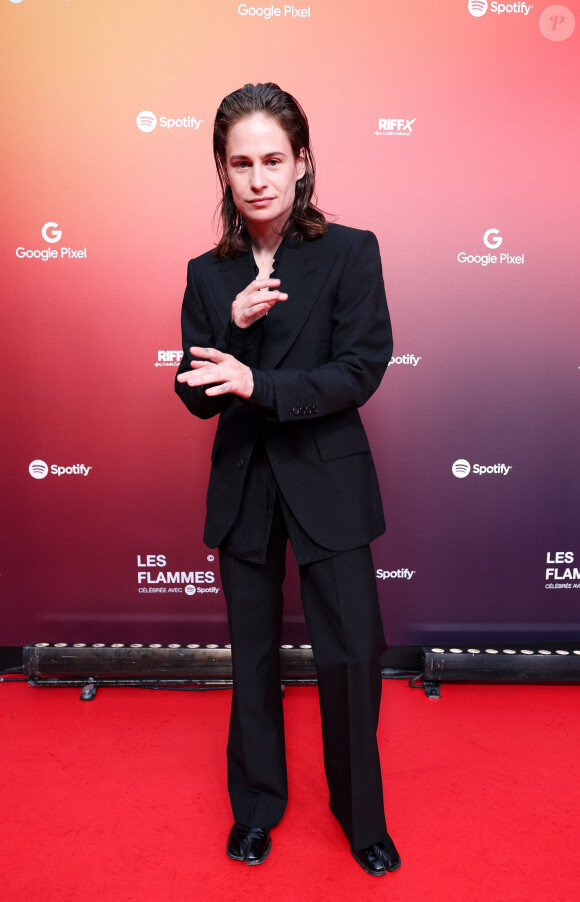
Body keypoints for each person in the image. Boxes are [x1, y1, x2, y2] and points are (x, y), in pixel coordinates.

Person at [175, 83, 400, 877]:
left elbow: (359, 369)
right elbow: (193, 395)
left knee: (349, 655)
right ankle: (257, 808)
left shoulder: (351, 251)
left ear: (302, 163)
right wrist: (227, 328)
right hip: (245, 485)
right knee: (254, 658)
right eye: (242, 163)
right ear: (223, 172)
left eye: (274, 159)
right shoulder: (208, 275)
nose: (259, 177)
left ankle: (360, 816)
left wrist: (259, 385)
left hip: (327, 481)